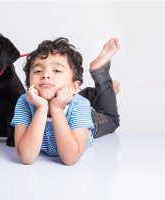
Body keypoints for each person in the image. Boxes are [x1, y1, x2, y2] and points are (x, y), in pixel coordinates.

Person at [10, 37, 120, 165]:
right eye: (38, 71)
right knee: (69, 93)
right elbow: (26, 157)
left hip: (80, 116)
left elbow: (70, 158)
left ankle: (103, 77)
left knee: (111, 119)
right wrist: (41, 108)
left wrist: (56, 108)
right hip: (67, 96)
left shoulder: (80, 105)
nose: (45, 75)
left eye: (57, 70)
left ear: (74, 86)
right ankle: (104, 91)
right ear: (29, 84)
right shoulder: (24, 102)